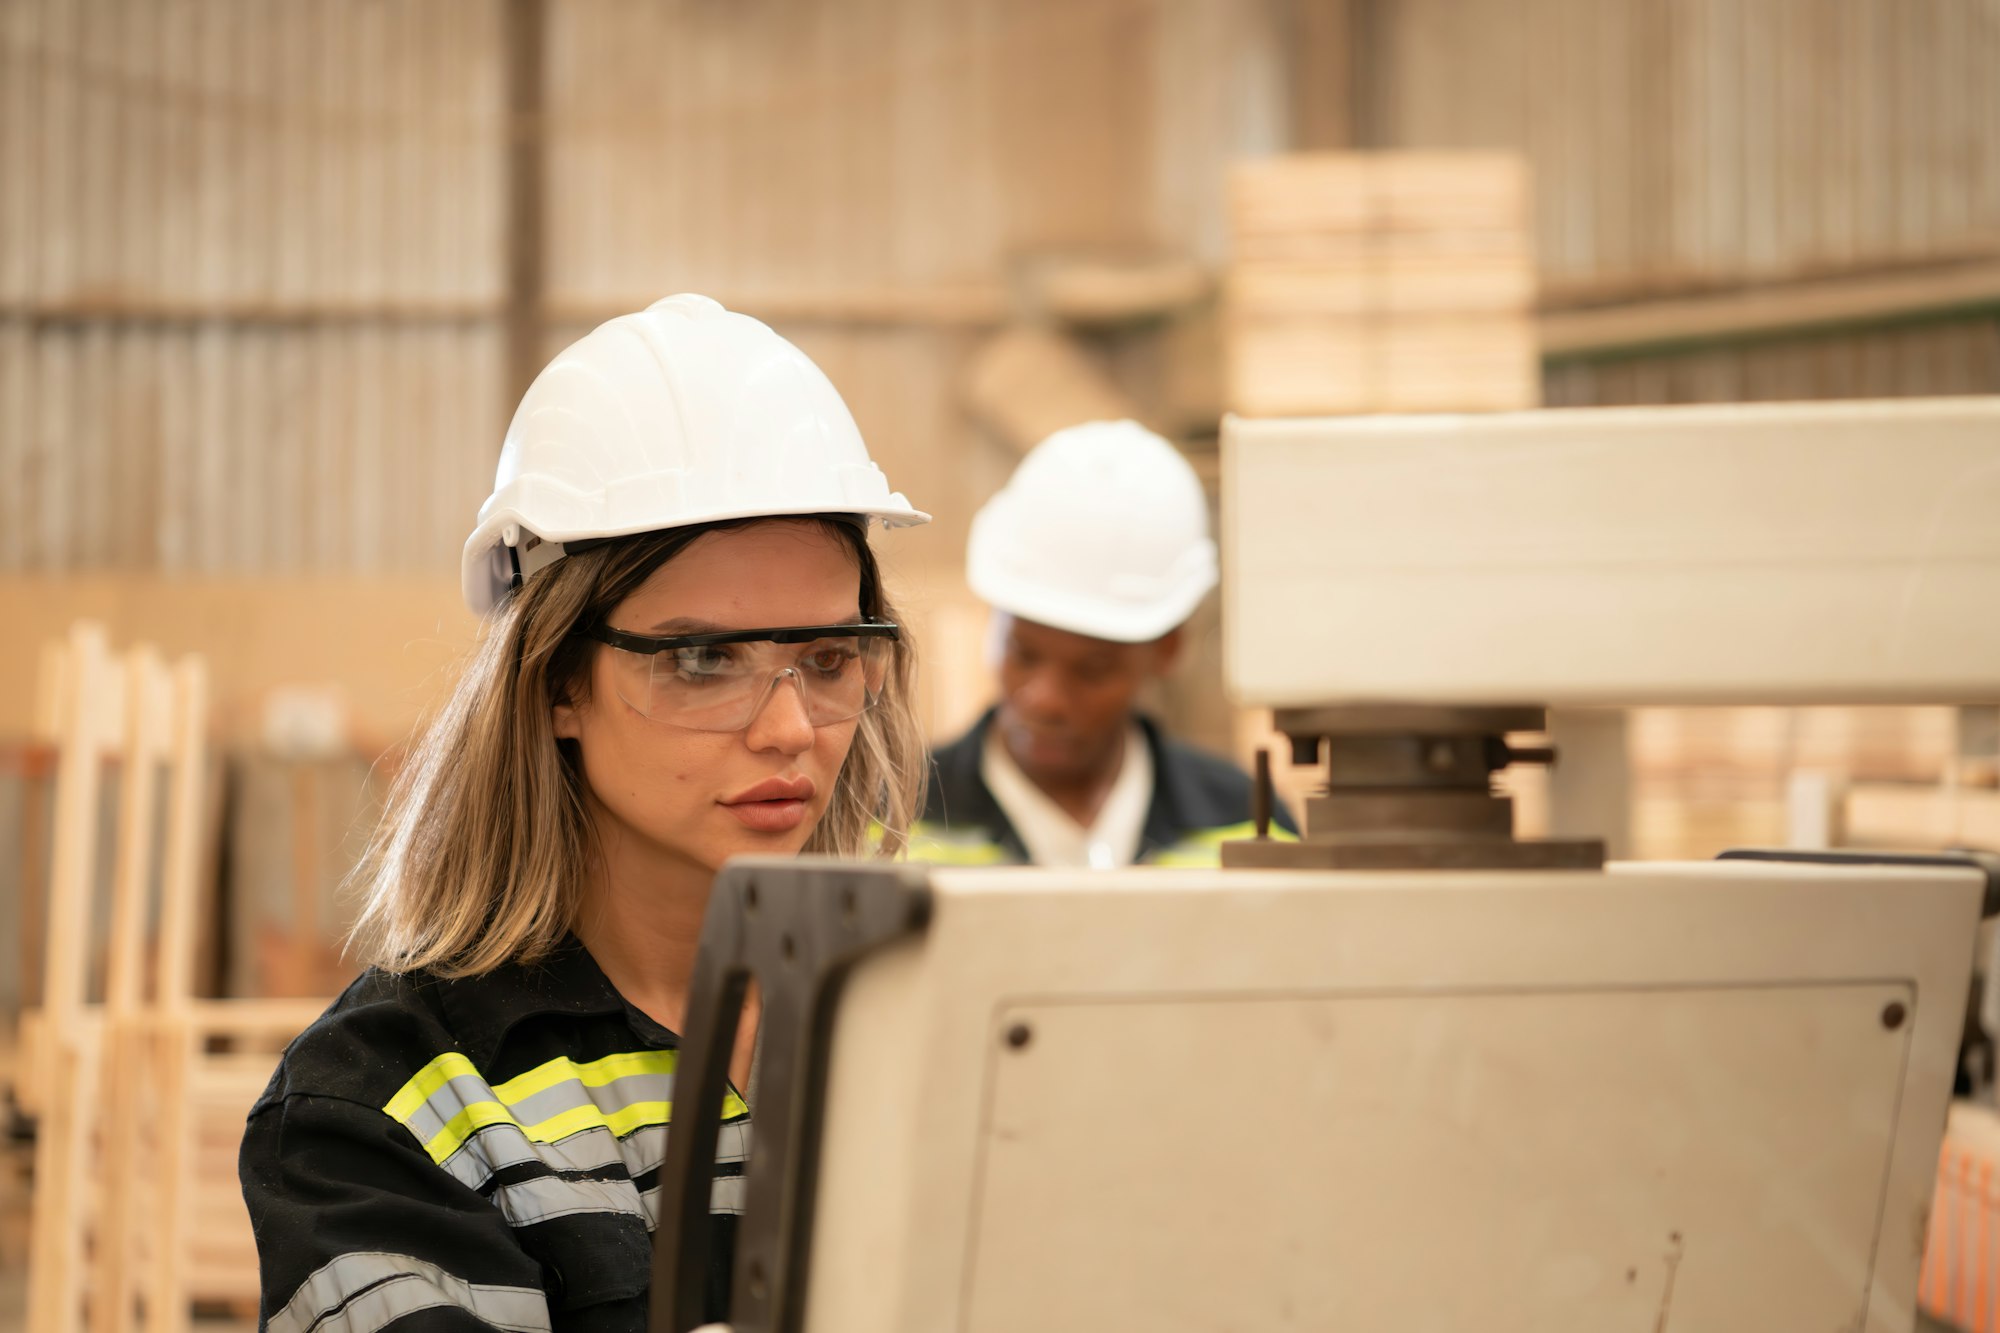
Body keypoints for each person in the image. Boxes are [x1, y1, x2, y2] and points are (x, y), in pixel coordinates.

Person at [238, 295, 928, 1331]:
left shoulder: (944, 1027)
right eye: (702, 660)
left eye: (826, 658)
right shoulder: (391, 1107)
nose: (790, 726)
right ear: (555, 683)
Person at [913, 419, 1295, 868]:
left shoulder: (1245, 821)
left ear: (1167, 650)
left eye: (1091, 670)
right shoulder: (892, 820)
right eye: (1023, 653)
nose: (1045, 700)